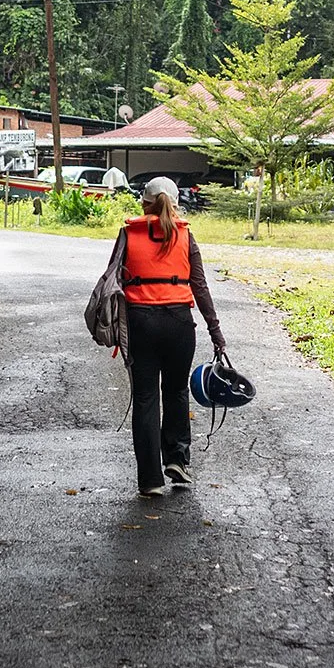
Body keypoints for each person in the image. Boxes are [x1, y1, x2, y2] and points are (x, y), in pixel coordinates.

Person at [101, 177, 226, 496]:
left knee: (145, 398)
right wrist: (216, 331)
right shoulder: (185, 234)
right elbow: (199, 286)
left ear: (144, 204)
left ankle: (150, 480)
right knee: (176, 392)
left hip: (141, 323)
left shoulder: (129, 233)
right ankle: (178, 461)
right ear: (175, 203)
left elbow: (110, 281)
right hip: (179, 324)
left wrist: (109, 325)